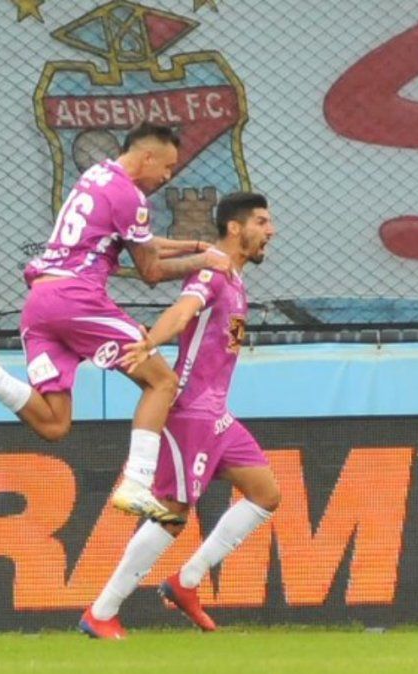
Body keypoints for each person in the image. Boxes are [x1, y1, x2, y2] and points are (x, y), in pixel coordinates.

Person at [0, 122, 230, 522]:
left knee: (54, 424)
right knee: (162, 381)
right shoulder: (130, 197)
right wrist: (206, 261)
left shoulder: (96, 176)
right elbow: (149, 270)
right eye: (166, 167)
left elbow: (137, 241)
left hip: (40, 305)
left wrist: (196, 245)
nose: (167, 177)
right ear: (147, 156)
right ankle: (137, 481)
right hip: (76, 300)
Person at [79, 191, 279, 639]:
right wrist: (150, 344)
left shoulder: (235, 279)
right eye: (262, 222)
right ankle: (102, 611)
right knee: (172, 514)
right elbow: (182, 309)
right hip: (190, 412)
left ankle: (186, 582)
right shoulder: (211, 273)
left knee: (265, 494)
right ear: (234, 228)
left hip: (218, 415)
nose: (271, 231)